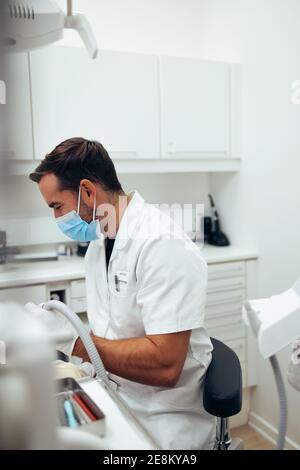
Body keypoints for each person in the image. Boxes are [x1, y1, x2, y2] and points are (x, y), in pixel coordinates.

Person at [27, 137, 214, 450]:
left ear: (87, 191)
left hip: (165, 418)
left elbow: (166, 365)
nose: (56, 218)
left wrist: (74, 341)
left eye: (57, 206)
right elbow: (113, 334)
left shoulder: (161, 243)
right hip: (117, 398)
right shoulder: (99, 246)